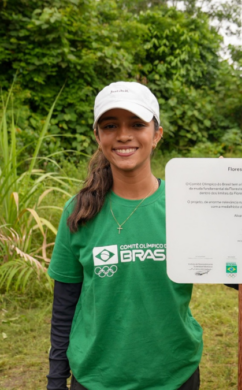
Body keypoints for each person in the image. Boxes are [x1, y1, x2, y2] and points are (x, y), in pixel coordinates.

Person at [47, 82, 204, 390]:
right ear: (98, 136)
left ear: (157, 134)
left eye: (136, 124)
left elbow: (239, 275)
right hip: (96, 378)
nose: (123, 135)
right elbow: (64, 305)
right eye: (110, 125)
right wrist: (55, 379)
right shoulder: (78, 211)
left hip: (175, 375)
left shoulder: (187, 205)